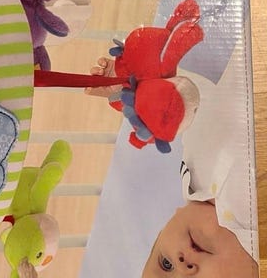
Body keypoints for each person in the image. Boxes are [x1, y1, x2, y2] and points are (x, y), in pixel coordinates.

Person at [86, 52, 259, 278]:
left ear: (164, 228)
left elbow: (193, 91)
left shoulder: (191, 174)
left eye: (166, 264)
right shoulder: (256, 227)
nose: (181, 264)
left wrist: (135, 88)